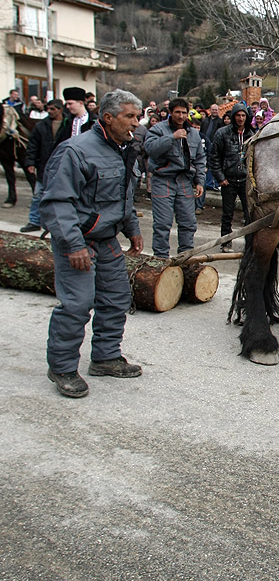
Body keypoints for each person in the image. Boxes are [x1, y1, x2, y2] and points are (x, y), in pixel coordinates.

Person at [39, 89, 145, 399]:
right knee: (77, 303)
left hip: (107, 239)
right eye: (130, 117)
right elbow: (57, 203)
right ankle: (61, 367)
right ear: (108, 118)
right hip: (78, 241)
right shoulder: (75, 151)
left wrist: (132, 228)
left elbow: (123, 195)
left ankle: (105, 358)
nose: (136, 123)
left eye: (137, 117)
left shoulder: (125, 149)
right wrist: (73, 246)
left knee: (116, 298)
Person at [144, 97, 206, 258]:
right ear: (170, 112)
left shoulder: (193, 134)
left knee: (188, 223)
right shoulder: (158, 129)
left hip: (185, 181)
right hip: (163, 180)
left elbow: (199, 159)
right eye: (177, 112)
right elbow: (150, 149)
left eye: (184, 113)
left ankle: (185, 258)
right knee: (163, 223)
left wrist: (199, 181)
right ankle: (161, 259)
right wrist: (172, 137)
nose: (181, 116)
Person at [208, 103, 251, 251]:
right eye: (238, 115)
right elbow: (214, 157)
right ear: (233, 116)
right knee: (227, 213)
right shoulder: (222, 133)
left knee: (249, 213)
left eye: (243, 115)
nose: (240, 118)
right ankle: (226, 242)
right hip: (228, 180)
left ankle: (250, 243)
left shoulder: (251, 134)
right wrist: (220, 178)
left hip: (246, 181)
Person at [20, 99, 66, 233]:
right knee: (38, 195)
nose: (49, 111)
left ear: (60, 109)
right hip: (44, 166)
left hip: (63, 166)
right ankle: (34, 221)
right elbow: (33, 145)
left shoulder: (68, 125)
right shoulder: (41, 126)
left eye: (53, 109)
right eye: (48, 109)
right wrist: (31, 162)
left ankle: (58, 224)